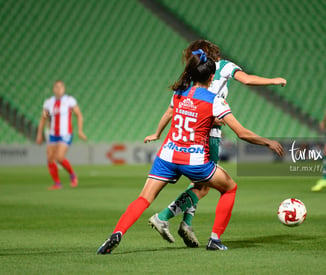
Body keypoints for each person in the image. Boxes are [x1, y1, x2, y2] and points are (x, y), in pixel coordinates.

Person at [97, 50, 284, 254]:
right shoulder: (215, 100)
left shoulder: (178, 93)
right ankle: (214, 239)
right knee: (229, 188)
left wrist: (158, 133)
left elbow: (178, 113)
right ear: (212, 77)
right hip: (194, 160)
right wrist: (267, 142)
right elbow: (241, 133)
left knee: (144, 198)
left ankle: (117, 234)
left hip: (167, 155)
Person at [145, 40, 287, 247]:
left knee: (200, 183)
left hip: (193, 128)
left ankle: (186, 223)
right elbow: (246, 80)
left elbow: (171, 108)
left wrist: (158, 133)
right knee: (205, 186)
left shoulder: (196, 71)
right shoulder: (224, 66)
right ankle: (165, 216)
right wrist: (273, 81)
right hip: (209, 131)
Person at [36, 80, 87, 190]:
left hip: (66, 134)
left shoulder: (70, 101)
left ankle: (72, 174)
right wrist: (39, 134)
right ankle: (57, 183)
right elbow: (43, 118)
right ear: (53, 89)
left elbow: (79, 115)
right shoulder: (49, 102)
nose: (58, 89)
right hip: (53, 134)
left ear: (64, 89)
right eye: (56, 87)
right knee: (50, 158)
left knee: (59, 157)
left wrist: (80, 131)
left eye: (61, 87)